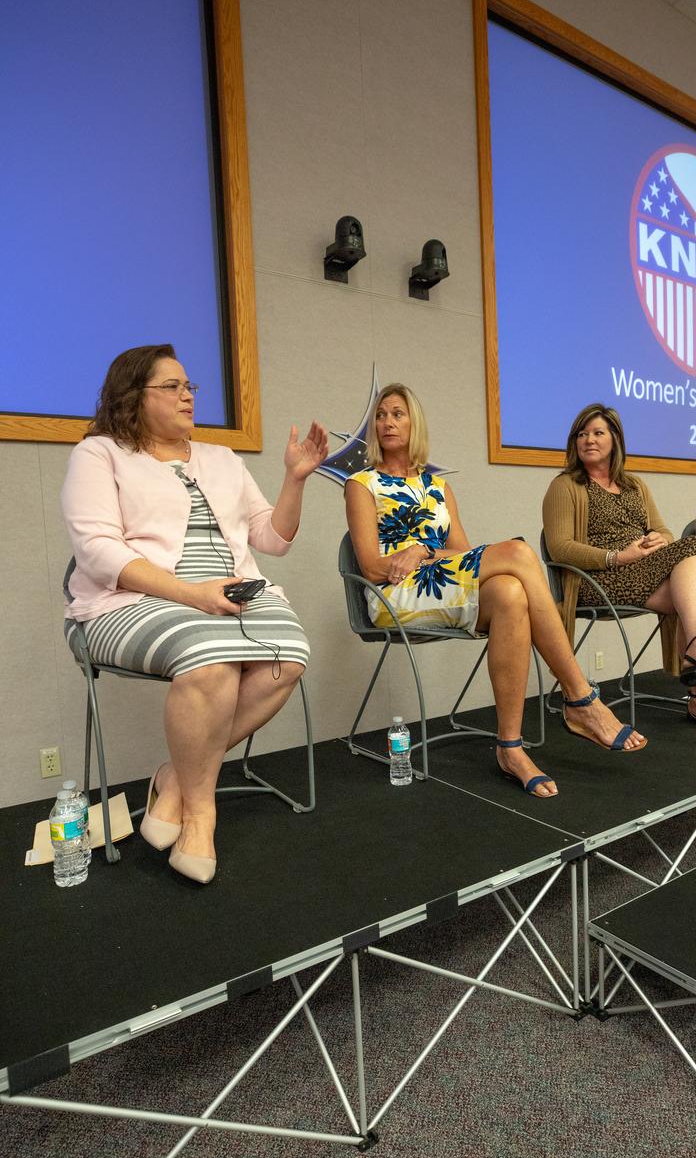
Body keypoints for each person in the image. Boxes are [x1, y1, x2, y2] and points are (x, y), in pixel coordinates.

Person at [61, 344, 328, 883]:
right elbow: (97, 551)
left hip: (229, 597)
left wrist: (295, 478)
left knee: (289, 655)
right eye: (173, 386)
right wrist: (192, 594)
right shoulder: (100, 454)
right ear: (133, 395)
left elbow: (272, 538)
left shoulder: (221, 458)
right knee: (211, 662)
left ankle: (177, 781)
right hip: (129, 601)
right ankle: (202, 813)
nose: (188, 396)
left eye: (190, 387)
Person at [345, 384, 647, 800]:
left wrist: (423, 549)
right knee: (520, 553)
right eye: (381, 415)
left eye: (398, 413)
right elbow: (368, 565)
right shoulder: (362, 484)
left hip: (438, 582)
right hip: (393, 595)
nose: (387, 422)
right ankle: (581, 697)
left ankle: (510, 747)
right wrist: (411, 558)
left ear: (415, 423)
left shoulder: (437, 487)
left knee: (509, 592)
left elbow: (461, 552)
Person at [542, 403, 696, 734]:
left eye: (598, 433)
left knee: (689, 584)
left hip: (641, 572)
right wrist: (617, 556)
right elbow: (560, 548)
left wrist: (657, 539)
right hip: (595, 580)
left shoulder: (635, 485)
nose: (589, 440)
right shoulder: (565, 486)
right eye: (581, 434)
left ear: (615, 439)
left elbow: (665, 532)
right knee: (695, 555)